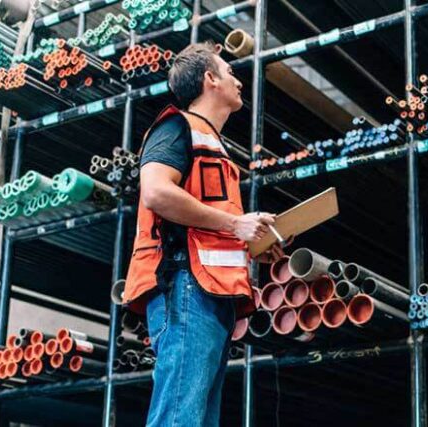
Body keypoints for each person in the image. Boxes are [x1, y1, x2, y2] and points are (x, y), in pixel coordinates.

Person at [123, 41, 285, 427]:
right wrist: (236, 225)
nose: (238, 81)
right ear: (210, 79)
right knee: (180, 418)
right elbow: (157, 191)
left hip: (209, 295)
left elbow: (205, 224)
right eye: (229, 72)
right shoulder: (177, 128)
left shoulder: (213, 143)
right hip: (185, 289)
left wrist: (250, 243)